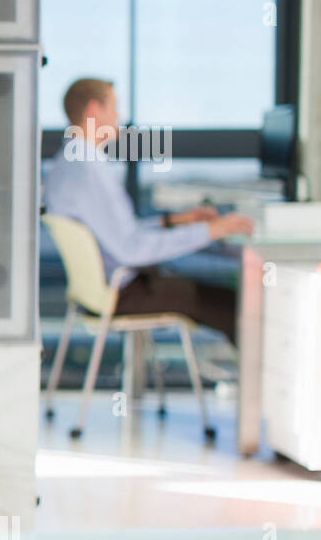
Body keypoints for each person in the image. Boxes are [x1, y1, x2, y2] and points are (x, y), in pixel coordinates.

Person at [42, 78, 254, 345]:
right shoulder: (87, 172)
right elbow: (131, 249)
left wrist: (173, 221)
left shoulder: (68, 165)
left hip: (105, 289)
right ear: (95, 111)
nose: (118, 117)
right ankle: (265, 387)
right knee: (239, 305)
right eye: (114, 108)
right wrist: (210, 230)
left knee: (207, 288)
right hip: (123, 291)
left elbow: (120, 233)